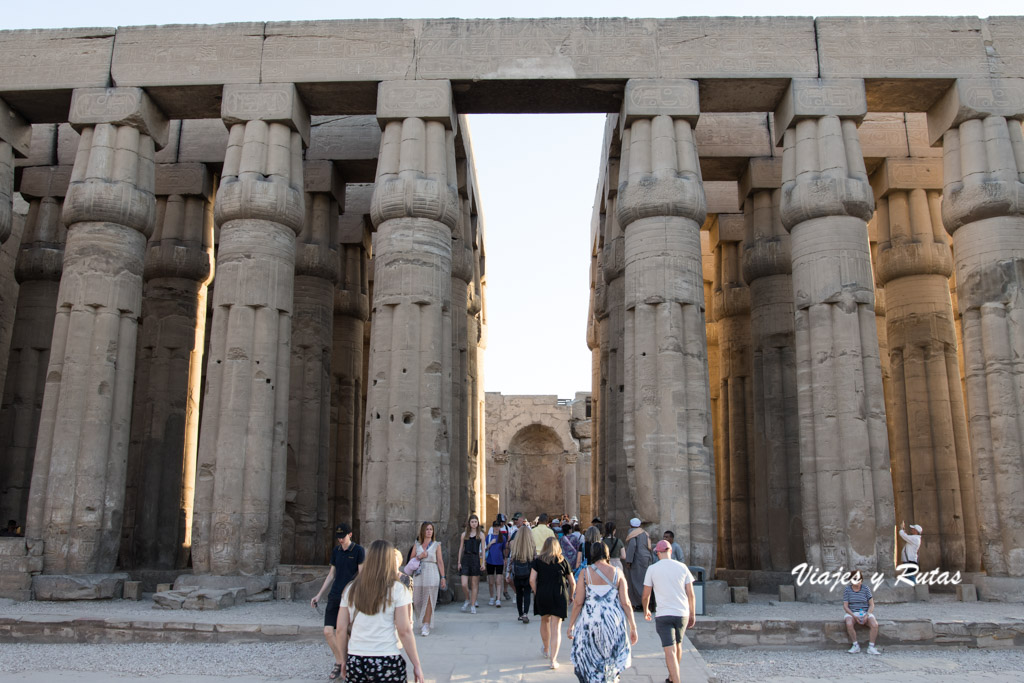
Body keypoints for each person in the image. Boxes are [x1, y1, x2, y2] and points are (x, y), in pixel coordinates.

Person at [336, 539, 425, 683]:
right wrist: (416, 664)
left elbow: (340, 629)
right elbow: (404, 631)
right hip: (387, 658)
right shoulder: (397, 589)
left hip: (356, 659)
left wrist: (343, 660)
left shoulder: (350, 589)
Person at [567, 539, 637, 683]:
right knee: (610, 658)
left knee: (591, 657)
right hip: (613, 621)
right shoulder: (617, 572)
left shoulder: (585, 573)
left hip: (591, 620)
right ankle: (610, 679)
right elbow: (626, 602)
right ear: (607, 553)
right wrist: (633, 626)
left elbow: (578, 602)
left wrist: (571, 625)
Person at [311, 523, 365, 681]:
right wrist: (319, 594)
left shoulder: (358, 551)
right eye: (338, 537)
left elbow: (361, 576)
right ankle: (341, 661)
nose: (340, 539)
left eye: (343, 536)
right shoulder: (336, 551)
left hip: (349, 596)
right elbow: (331, 574)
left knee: (346, 632)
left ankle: (345, 664)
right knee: (328, 631)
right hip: (334, 595)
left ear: (350, 535)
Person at [642, 540, 696, 683]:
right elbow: (691, 593)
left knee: (669, 650)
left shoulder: (652, 569)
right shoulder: (682, 567)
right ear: (671, 551)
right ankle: (672, 677)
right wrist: (692, 613)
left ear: (658, 553)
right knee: (678, 645)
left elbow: (646, 594)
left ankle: (676, 680)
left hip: (664, 613)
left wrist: (646, 609)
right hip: (682, 612)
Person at [531, 536, 576, 669]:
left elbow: (532, 580)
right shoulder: (563, 561)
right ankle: (553, 660)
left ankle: (546, 649)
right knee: (556, 627)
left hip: (543, 593)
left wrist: (536, 592)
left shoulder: (538, 561)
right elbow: (572, 582)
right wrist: (571, 596)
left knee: (544, 621)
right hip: (559, 594)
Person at [408, 521, 446, 636]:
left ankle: (426, 623)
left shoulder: (436, 545)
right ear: (423, 531)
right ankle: (421, 620)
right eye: (427, 529)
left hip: (432, 570)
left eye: (431, 529)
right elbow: (411, 560)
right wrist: (420, 556)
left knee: (429, 597)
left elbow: (440, 561)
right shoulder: (417, 545)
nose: (429, 531)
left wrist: (443, 577)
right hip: (419, 572)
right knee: (418, 599)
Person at [843, 570, 880, 655]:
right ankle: (855, 645)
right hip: (852, 612)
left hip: (864, 611)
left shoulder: (866, 588)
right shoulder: (847, 590)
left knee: (874, 625)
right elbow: (845, 606)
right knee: (849, 623)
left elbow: (871, 604)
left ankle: (871, 646)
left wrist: (867, 615)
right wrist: (853, 616)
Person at [508, 524, 537, 623]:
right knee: (527, 593)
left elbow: (511, 560)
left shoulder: (515, 545)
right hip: (528, 571)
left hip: (517, 572)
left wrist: (508, 572)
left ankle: (520, 614)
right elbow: (534, 558)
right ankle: (525, 613)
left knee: (519, 593)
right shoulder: (531, 545)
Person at [457, 513, 486, 613]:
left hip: (475, 558)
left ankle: (473, 604)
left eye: (475, 522)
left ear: (478, 523)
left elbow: (483, 549)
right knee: (464, 584)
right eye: (472, 522)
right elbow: (461, 548)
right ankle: (467, 598)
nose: (474, 524)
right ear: (469, 523)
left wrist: (483, 563)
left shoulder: (481, 535)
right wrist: (459, 562)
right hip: (466, 558)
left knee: (474, 584)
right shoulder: (464, 535)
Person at [624, 517, 653, 611]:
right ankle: (647, 602)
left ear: (631, 525)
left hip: (637, 560)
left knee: (637, 581)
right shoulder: (644, 533)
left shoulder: (633, 533)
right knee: (644, 581)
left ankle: (640, 603)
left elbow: (632, 546)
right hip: (646, 559)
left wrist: (628, 561)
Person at [485, 519, 507, 607]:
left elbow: (504, 549)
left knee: (498, 580)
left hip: (499, 561)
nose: (497, 528)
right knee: (491, 581)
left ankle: (498, 598)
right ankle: (491, 597)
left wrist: (505, 558)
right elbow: (485, 548)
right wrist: (490, 543)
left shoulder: (503, 538)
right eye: (495, 526)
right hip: (490, 560)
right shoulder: (489, 537)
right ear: (493, 527)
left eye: (498, 526)